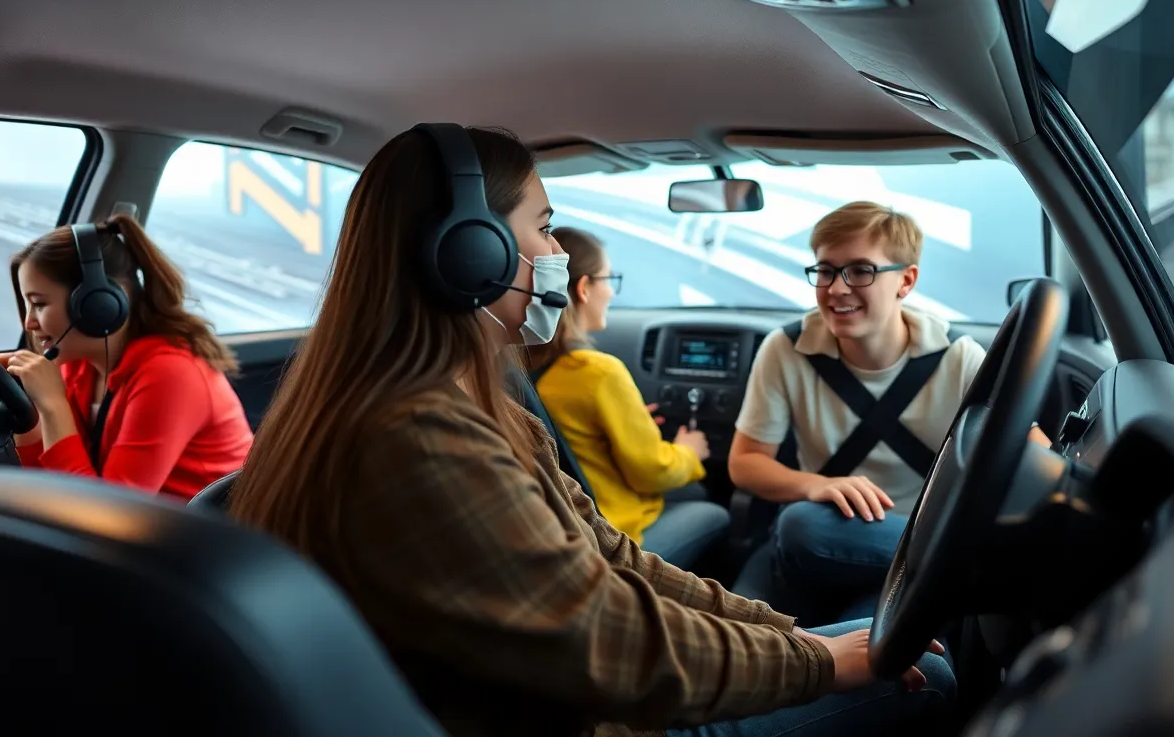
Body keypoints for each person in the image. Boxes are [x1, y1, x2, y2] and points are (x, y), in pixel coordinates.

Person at [227, 124, 953, 737]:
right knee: (930, 674)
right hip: (586, 716)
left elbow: (614, 556)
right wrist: (817, 663)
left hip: (570, 692)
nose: (558, 254)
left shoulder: (473, 408)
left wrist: (782, 632)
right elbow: (611, 641)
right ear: (470, 253)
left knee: (866, 635)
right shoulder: (421, 437)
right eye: (544, 227)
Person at [729, 201, 1049, 624]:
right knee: (800, 525)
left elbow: (1037, 454)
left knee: (883, 639)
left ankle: (940, 565)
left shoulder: (958, 357)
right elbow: (745, 463)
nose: (836, 289)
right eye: (825, 271)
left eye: (860, 271)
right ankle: (962, 564)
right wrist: (816, 486)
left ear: (906, 280)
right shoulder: (786, 349)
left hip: (906, 548)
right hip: (822, 539)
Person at [0, 215, 252, 499]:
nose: (29, 323)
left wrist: (53, 406)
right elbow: (52, 482)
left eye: (39, 304)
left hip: (200, 524)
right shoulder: (79, 364)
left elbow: (105, 508)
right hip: (142, 519)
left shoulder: (171, 374)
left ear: (96, 303)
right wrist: (18, 408)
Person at [527, 226, 728, 571]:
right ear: (584, 288)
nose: (610, 290)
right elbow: (652, 472)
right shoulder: (599, 372)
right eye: (609, 279)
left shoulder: (519, 366)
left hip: (563, 526)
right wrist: (690, 451)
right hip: (613, 539)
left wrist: (631, 420)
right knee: (713, 509)